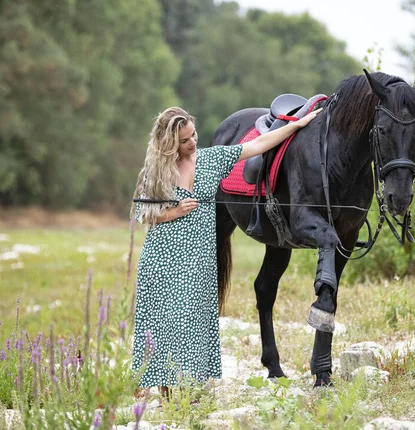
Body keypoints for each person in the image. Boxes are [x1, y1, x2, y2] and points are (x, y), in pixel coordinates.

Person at [130, 106, 321, 398]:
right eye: (184, 140)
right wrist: (174, 211)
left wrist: (298, 124)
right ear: (169, 143)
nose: (192, 142)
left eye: (193, 135)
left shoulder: (211, 159)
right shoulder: (157, 170)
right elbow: (144, 214)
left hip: (198, 257)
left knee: (192, 318)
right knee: (163, 318)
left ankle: (187, 385)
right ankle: (164, 387)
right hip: (163, 256)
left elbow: (257, 144)